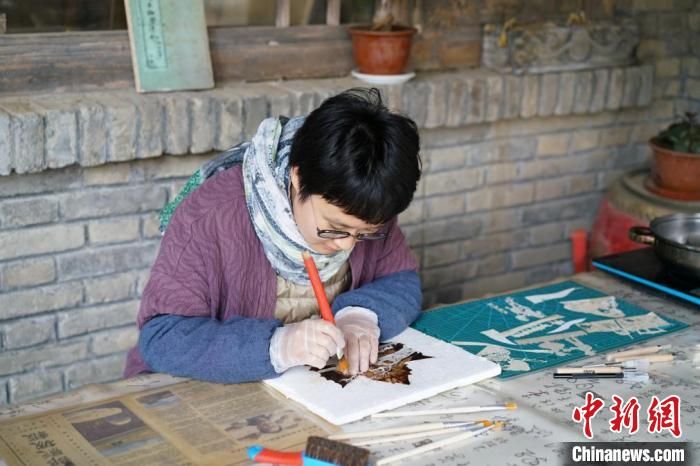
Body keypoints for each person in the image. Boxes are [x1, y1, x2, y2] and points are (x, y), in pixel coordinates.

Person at [123, 88, 422, 383]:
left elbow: (402, 281)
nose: (346, 244)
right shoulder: (210, 215)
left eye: (365, 234)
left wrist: (362, 314)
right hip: (204, 393)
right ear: (298, 178)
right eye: (333, 227)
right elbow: (162, 339)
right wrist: (276, 346)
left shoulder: (367, 205)